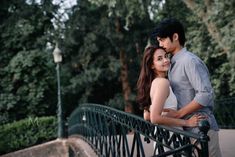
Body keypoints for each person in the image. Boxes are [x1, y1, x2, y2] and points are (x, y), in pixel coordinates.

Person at [152, 18, 222, 157]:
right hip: (185, 128)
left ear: (175, 37)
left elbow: (205, 94)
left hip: (202, 127)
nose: (160, 44)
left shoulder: (190, 61)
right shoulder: (171, 64)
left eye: (162, 40)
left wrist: (179, 114)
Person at [136, 45, 204, 127]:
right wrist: (187, 123)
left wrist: (162, 115)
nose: (165, 60)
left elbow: (147, 116)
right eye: (159, 59)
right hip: (171, 134)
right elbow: (154, 118)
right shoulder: (162, 83)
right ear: (152, 65)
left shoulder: (154, 82)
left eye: (166, 56)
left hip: (164, 133)